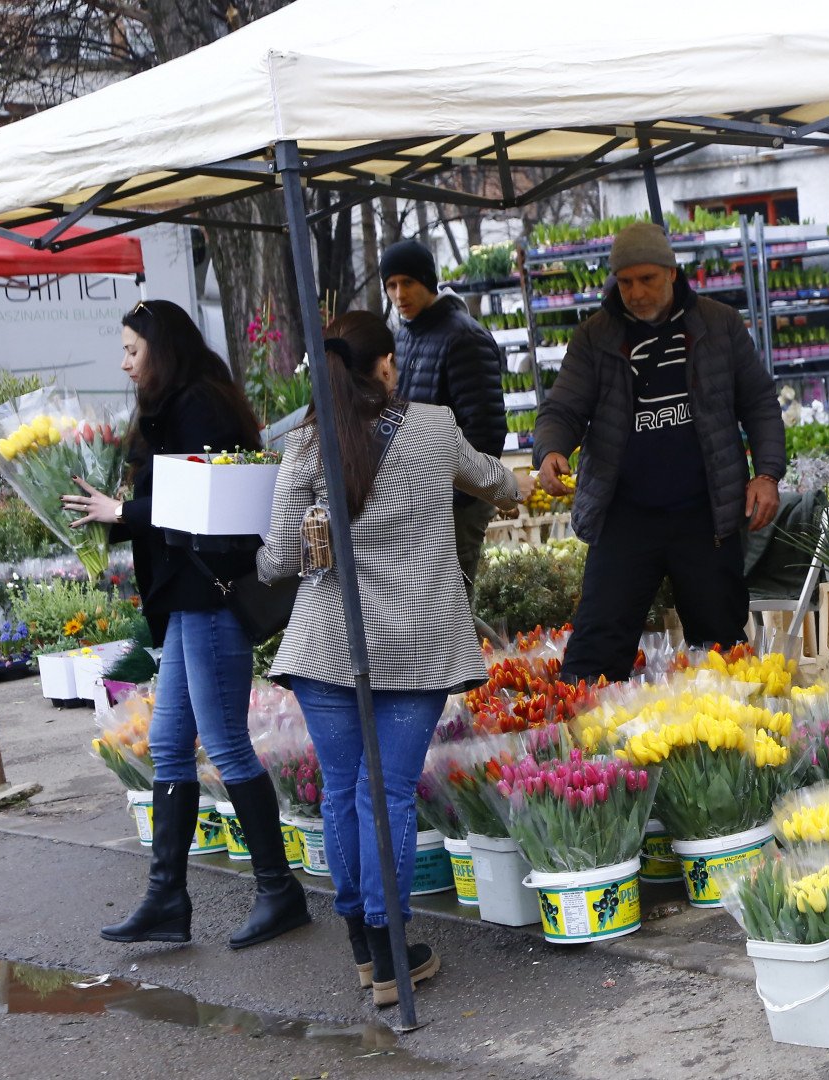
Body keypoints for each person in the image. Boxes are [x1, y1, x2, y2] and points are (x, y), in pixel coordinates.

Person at [257, 311, 524, 1006]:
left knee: (345, 792)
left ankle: (363, 951)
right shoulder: (433, 427)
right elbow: (492, 480)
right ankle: (392, 948)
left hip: (326, 644)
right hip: (417, 643)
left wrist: (241, 552)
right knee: (390, 794)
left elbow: (281, 557)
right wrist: (525, 487)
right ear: (384, 366)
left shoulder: (307, 440)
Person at [63, 299, 310, 950]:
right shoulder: (180, 404)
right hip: (183, 602)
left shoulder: (200, 404)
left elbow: (209, 500)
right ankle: (166, 899)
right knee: (171, 748)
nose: (124, 363)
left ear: (162, 350)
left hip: (209, 597)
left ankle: (279, 891)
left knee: (226, 743)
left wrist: (122, 509)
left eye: (132, 351)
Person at [534, 222, 786, 682]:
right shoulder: (596, 336)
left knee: (721, 648)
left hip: (706, 514)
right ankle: (590, 747)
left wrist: (766, 473)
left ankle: (736, 740)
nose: (635, 292)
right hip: (625, 515)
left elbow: (760, 403)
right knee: (595, 650)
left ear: (672, 273)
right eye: (625, 281)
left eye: (647, 279)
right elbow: (563, 407)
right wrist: (551, 448)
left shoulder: (718, 324)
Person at [379, 238, 508, 588]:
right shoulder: (405, 337)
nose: (398, 293)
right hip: (420, 498)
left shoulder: (464, 337)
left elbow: (486, 430)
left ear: (428, 281)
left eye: (408, 282)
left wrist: (449, 494)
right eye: (391, 285)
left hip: (458, 502)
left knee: (449, 605)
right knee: (422, 603)